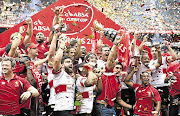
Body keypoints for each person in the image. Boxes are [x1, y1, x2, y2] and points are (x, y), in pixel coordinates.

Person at [95, 35, 133, 116]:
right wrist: (115, 44)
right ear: (112, 68)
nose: (118, 70)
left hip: (111, 108)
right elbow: (110, 59)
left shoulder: (119, 83)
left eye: (120, 68)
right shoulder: (108, 74)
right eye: (117, 68)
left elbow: (119, 100)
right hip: (102, 107)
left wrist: (131, 107)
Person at [149, 41, 178, 115]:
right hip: (153, 86)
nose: (154, 52)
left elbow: (174, 57)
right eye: (153, 51)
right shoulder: (149, 62)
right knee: (154, 108)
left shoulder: (164, 59)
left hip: (163, 85)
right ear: (151, 52)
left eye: (156, 50)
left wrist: (168, 46)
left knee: (164, 108)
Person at [52, 35, 76, 116]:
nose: (71, 64)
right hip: (61, 110)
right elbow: (56, 60)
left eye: (71, 62)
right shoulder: (59, 74)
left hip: (71, 109)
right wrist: (62, 46)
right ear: (61, 65)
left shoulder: (72, 77)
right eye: (67, 62)